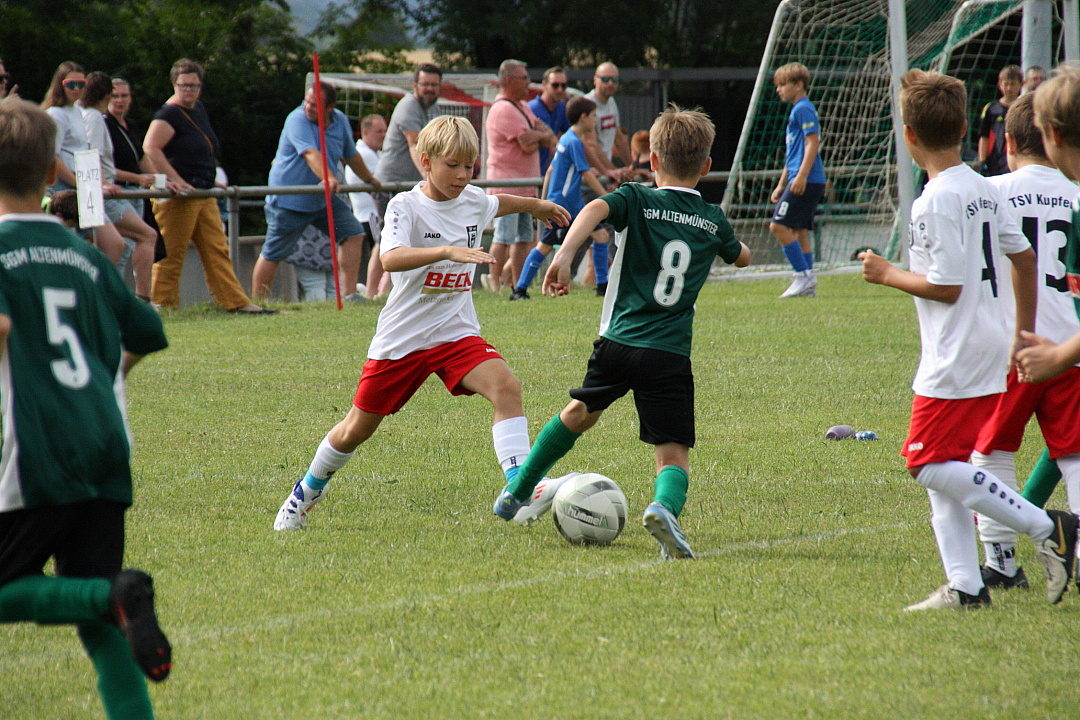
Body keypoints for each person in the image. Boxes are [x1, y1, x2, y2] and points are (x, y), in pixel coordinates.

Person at [273, 115, 571, 530]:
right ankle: (306, 492)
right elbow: (390, 258)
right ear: (426, 162)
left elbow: (498, 202)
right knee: (356, 429)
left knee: (507, 386)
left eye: (469, 166)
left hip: (455, 332)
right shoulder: (405, 206)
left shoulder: (472, 199)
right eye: (452, 165)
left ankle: (519, 489)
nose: (462, 175)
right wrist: (446, 251)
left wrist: (537, 205)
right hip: (403, 338)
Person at [858, 69, 1077, 611]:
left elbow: (947, 286)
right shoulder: (981, 185)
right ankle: (966, 586)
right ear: (962, 128)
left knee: (925, 462)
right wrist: (1021, 331)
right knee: (948, 464)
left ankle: (1047, 527)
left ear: (909, 135)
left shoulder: (935, 200)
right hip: (988, 344)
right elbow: (1024, 258)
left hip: (954, 352)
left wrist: (887, 274)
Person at [493, 106, 751, 561]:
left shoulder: (636, 198)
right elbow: (742, 257)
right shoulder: (713, 219)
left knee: (579, 412)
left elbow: (595, 207)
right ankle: (663, 508)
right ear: (707, 166)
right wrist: (729, 241)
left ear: (653, 160)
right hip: (668, 353)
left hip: (617, 343)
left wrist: (562, 256)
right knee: (672, 453)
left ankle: (519, 489)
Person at [0, 96, 171, 720]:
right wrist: (105, 377)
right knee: (103, 625)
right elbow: (148, 331)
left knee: (88, 599)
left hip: (38, 451)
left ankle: (108, 596)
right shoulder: (88, 256)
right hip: (104, 445)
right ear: (53, 172)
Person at [967, 91, 1080, 592]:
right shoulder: (1075, 193)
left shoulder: (988, 192)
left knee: (990, 450)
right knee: (1075, 453)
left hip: (1010, 346)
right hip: (1070, 347)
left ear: (1008, 142)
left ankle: (1002, 563)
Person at [142, 58, 270, 313]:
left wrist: (211, 180)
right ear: (174, 84)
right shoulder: (168, 114)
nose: (189, 90)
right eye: (184, 85)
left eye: (194, 85)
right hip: (179, 197)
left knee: (217, 249)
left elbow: (197, 151)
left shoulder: (197, 109)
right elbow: (150, 147)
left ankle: (236, 302)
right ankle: (162, 307)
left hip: (203, 192)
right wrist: (175, 180)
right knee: (171, 253)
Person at [252, 82, 380, 302]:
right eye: (307, 102)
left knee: (353, 234)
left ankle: (350, 295)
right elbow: (311, 153)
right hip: (290, 201)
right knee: (273, 253)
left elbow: (351, 155)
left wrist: (369, 179)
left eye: (315, 105)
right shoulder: (296, 119)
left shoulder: (339, 121)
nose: (308, 108)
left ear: (330, 108)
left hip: (322, 200)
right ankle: (258, 303)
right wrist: (329, 177)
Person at [511, 95, 605, 300]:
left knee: (601, 236)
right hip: (564, 206)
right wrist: (606, 197)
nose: (595, 120)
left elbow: (551, 170)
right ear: (583, 117)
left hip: (573, 205)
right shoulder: (574, 142)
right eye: (593, 115)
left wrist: (543, 200)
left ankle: (602, 286)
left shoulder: (566, 138)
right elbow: (586, 173)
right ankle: (519, 289)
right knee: (545, 246)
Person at [80, 71, 157, 301]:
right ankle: (141, 300)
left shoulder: (88, 115)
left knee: (118, 246)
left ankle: (109, 299)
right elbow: (90, 153)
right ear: (106, 95)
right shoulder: (95, 118)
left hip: (98, 190)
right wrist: (103, 182)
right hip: (101, 192)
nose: (118, 100)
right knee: (145, 235)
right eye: (114, 95)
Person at [41, 61, 125, 264]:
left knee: (113, 244)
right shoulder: (56, 114)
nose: (77, 89)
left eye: (81, 84)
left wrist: (98, 183)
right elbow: (53, 157)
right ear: (60, 84)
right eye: (71, 84)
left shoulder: (78, 111)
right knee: (70, 251)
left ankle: (94, 284)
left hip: (85, 187)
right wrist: (77, 183)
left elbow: (86, 153)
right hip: (65, 190)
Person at [485, 59, 556, 293]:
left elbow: (546, 134)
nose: (528, 82)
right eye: (524, 78)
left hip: (525, 187)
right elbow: (527, 144)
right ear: (509, 81)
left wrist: (538, 136)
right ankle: (494, 284)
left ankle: (517, 284)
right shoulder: (503, 109)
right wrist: (539, 137)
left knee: (525, 237)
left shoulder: (523, 106)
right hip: (507, 186)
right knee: (503, 237)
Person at [769, 62, 826, 298]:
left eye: (783, 84)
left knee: (778, 226)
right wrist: (782, 183)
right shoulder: (797, 110)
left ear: (799, 85)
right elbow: (794, 153)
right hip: (802, 178)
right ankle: (807, 284)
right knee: (799, 230)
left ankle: (803, 275)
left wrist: (801, 176)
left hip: (807, 179)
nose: (778, 89)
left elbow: (813, 142)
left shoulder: (803, 109)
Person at [372, 63, 444, 225]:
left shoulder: (434, 109)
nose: (430, 89)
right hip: (391, 186)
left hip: (413, 186)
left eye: (434, 85)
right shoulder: (409, 105)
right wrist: (430, 177)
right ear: (415, 85)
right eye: (425, 84)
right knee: (391, 235)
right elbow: (415, 143)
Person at [346, 113, 391, 299]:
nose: (384, 135)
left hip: (370, 215)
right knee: (383, 249)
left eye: (385, 131)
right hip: (369, 215)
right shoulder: (364, 154)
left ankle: (376, 290)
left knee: (383, 249)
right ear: (365, 132)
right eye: (379, 131)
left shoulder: (375, 153)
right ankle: (375, 291)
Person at [977, 65, 1022, 177]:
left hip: (1018, 160)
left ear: (1021, 84)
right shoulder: (991, 109)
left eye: (1013, 84)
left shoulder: (1023, 108)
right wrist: (982, 161)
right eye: (1006, 84)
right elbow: (984, 136)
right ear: (1000, 85)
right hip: (994, 161)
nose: (1009, 88)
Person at [528, 66, 571, 176]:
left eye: (563, 86)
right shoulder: (533, 109)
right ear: (544, 85)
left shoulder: (560, 107)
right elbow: (553, 144)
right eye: (555, 85)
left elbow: (572, 134)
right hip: (529, 173)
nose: (560, 90)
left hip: (545, 173)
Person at [287, 225, 337, 301]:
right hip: (336, 245)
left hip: (306, 250)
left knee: (314, 285)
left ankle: (318, 309)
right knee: (335, 287)